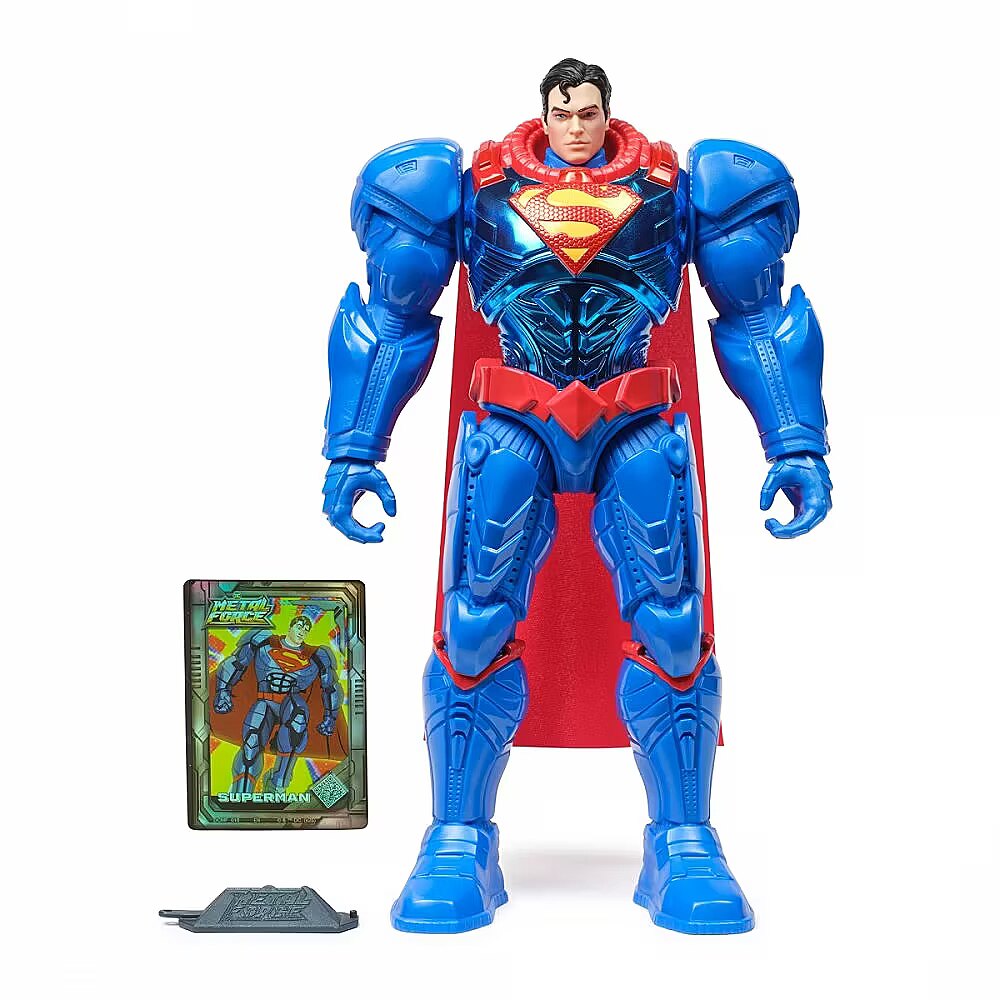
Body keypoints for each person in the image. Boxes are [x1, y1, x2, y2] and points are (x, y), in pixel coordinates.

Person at [322, 57, 831, 934]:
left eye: (589, 112)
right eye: (563, 113)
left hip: (633, 418)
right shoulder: (467, 188)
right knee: (474, 621)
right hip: (514, 418)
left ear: (606, 112)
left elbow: (756, 317)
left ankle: (683, 839)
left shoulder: (683, 188)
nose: (577, 127)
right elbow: (392, 318)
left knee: (673, 624)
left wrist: (794, 442)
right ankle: (457, 835)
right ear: (545, 113)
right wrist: (356, 448)